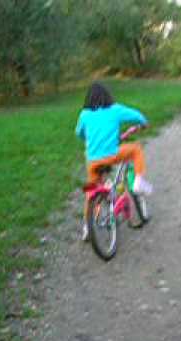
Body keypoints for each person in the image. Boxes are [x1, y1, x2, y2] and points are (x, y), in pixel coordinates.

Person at [75, 82, 153, 240]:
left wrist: (88, 138)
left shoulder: (84, 114)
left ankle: (87, 227)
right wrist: (144, 123)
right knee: (136, 149)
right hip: (113, 154)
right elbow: (137, 116)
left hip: (93, 161)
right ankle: (138, 181)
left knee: (91, 193)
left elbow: (79, 133)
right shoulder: (115, 110)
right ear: (107, 96)